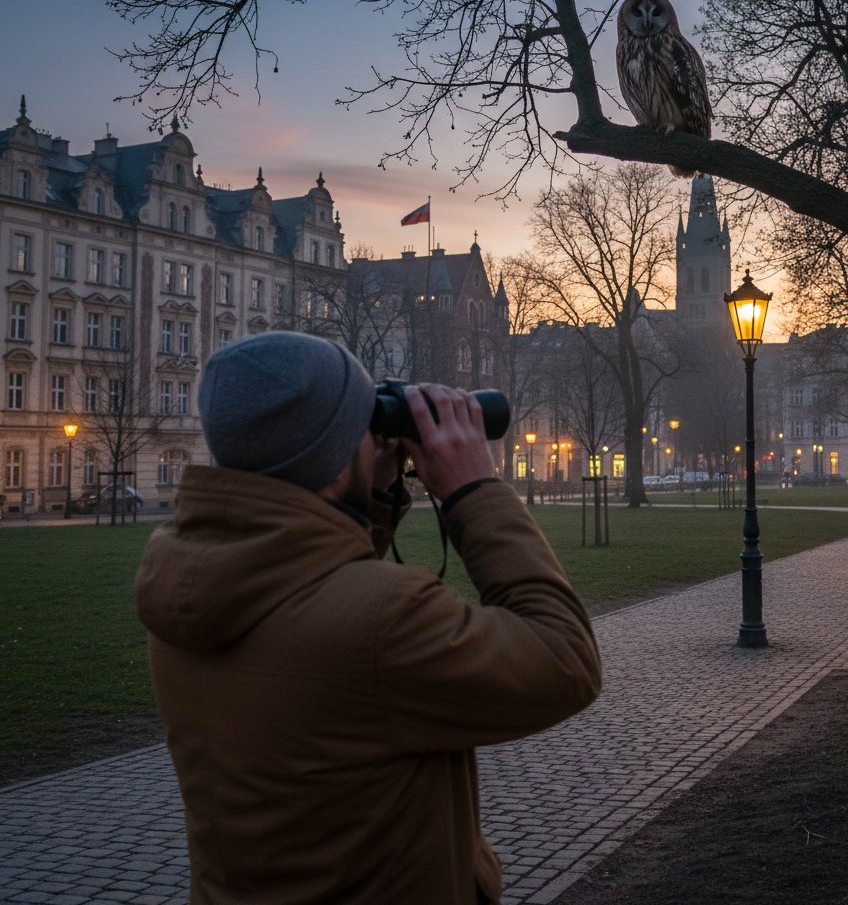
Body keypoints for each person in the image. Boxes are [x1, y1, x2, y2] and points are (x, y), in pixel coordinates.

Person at [135, 331, 602, 905]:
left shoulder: (185, 584)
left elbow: (316, 591)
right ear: (336, 452)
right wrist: (475, 489)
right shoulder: (383, 619)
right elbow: (564, 660)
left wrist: (366, 490)